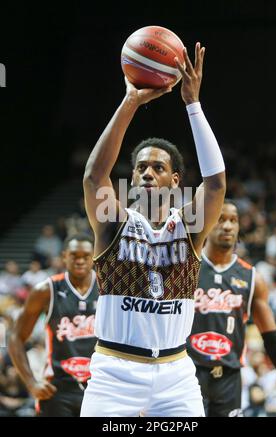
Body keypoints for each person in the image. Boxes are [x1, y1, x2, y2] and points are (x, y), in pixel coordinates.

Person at [80, 42, 226, 417]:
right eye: (141, 167)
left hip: (176, 375)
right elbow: (95, 175)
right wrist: (131, 102)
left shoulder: (189, 227)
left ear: (175, 181)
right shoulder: (115, 223)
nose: (146, 172)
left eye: (158, 168)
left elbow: (215, 185)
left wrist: (192, 103)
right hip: (114, 373)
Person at [186, 200, 276, 417]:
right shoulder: (188, 269)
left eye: (233, 220)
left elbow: (271, 336)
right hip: (188, 375)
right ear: (207, 223)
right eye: (221, 219)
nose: (227, 226)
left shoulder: (251, 278)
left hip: (229, 380)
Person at [8, 234, 98, 417]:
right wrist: (31, 383)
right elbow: (14, 336)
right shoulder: (45, 290)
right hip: (58, 389)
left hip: (100, 386)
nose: (80, 261)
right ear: (64, 256)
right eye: (74, 255)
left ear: (94, 256)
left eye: (85, 256)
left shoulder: (108, 288)